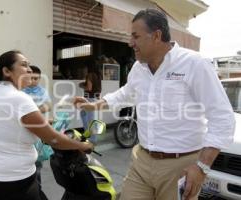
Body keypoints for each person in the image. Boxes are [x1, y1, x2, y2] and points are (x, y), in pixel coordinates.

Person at [73, 9, 235, 200]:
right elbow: (126, 93)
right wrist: (95, 105)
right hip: (142, 161)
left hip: (179, 166)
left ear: (157, 36)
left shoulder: (194, 64)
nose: (130, 43)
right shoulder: (138, 67)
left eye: (136, 36)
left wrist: (201, 167)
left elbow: (222, 118)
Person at [0, 50, 93, 200]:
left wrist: (45, 123)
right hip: (13, 183)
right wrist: (82, 146)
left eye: (29, 65)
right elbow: (54, 140)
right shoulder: (19, 98)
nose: (30, 70)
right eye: (24, 65)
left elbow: (10, 125)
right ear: (7, 71)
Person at [22, 65, 52, 200]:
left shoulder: (42, 91)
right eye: (31, 78)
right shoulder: (21, 91)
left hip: (38, 133)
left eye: (36, 79)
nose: (34, 81)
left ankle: (37, 188)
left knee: (38, 164)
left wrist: (35, 112)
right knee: (26, 163)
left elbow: (48, 105)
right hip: (24, 133)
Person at [78, 65, 102, 143]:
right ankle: (87, 133)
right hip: (93, 98)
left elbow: (89, 88)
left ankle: (93, 139)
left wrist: (82, 86)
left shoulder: (90, 75)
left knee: (90, 120)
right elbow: (98, 89)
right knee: (83, 114)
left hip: (89, 99)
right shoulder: (98, 76)